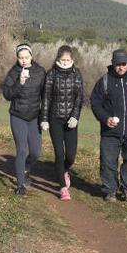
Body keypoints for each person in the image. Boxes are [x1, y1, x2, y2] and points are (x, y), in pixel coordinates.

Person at [90, 48, 127, 203]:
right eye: (117, 64)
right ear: (112, 63)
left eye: (123, 64)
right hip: (110, 132)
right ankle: (110, 191)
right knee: (108, 162)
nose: (121, 67)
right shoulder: (104, 81)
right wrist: (105, 118)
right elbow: (95, 103)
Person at [2, 43, 46, 196]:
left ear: (31, 57)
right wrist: (19, 83)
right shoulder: (13, 73)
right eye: (20, 58)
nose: (24, 61)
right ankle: (20, 185)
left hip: (34, 117)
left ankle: (26, 168)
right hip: (18, 116)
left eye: (26, 57)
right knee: (21, 149)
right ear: (17, 58)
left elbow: (45, 96)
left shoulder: (40, 72)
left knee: (35, 152)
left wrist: (45, 117)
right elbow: (7, 94)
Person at [41, 45, 84, 201]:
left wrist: (75, 116)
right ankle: (62, 188)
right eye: (62, 60)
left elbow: (80, 98)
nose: (65, 62)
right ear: (58, 59)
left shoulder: (77, 74)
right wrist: (44, 119)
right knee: (59, 154)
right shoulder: (51, 74)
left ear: (72, 59)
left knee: (70, 156)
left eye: (68, 60)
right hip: (55, 120)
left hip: (71, 122)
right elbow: (46, 98)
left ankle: (65, 170)